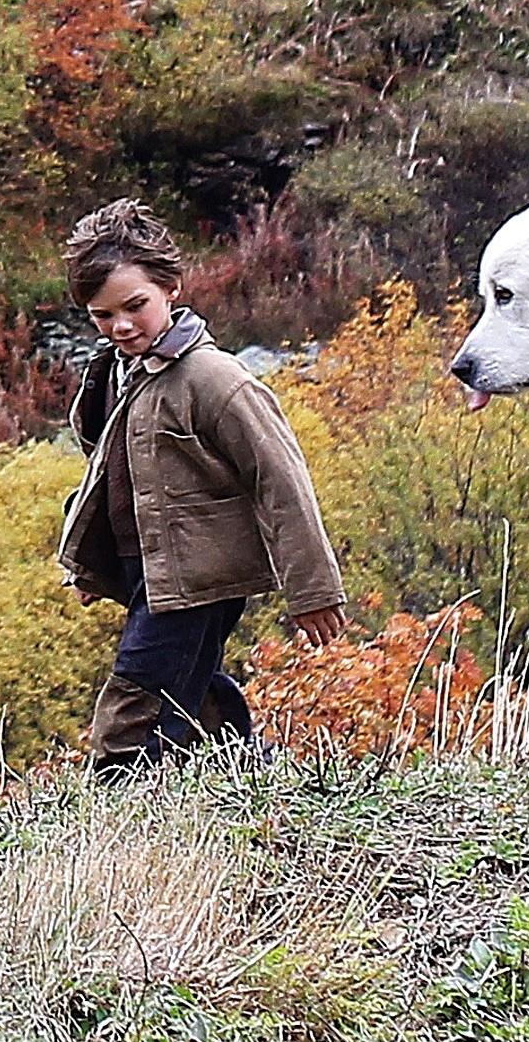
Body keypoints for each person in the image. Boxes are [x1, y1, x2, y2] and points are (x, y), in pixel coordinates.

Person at [49, 200, 354, 775]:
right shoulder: (115, 370)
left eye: (135, 306)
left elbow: (282, 482)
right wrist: (90, 566)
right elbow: (108, 476)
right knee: (193, 685)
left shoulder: (215, 380)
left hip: (200, 577)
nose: (121, 326)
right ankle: (246, 769)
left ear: (172, 288)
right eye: (102, 315)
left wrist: (313, 589)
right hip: (151, 569)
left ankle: (113, 810)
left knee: (134, 705)